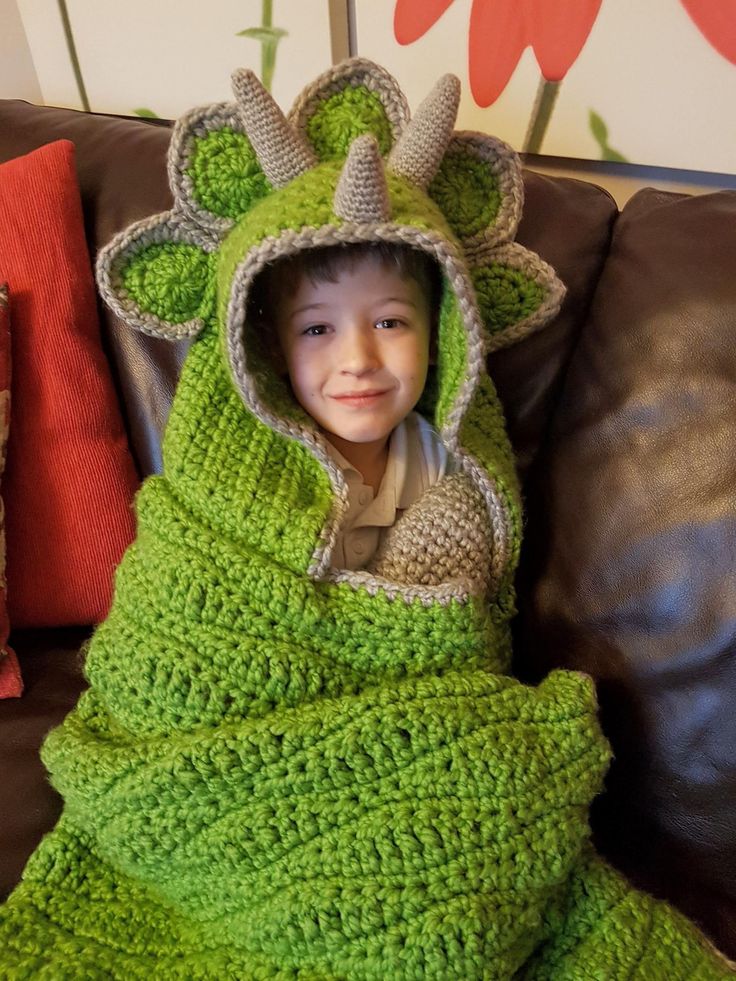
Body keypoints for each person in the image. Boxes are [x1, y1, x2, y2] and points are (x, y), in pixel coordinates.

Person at [0, 58, 732, 979]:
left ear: (444, 333)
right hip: (214, 758)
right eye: (317, 329)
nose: (358, 359)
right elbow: (172, 630)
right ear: (263, 346)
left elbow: (454, 647)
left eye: (390, 322)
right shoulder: (237, 480)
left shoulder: (447, 472)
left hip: (411, 745)